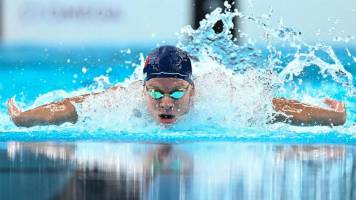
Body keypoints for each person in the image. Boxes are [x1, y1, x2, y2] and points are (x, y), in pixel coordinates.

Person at [7, 46, 347, 128]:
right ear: (143, 90)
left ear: (193, 90)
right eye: (155, 92)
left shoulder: (223, 101)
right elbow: (73, 106)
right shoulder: (124, 101)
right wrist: (24, 119)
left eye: (175, 92)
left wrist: (333, 117)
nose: (165, 102)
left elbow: (278, 107)